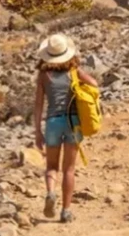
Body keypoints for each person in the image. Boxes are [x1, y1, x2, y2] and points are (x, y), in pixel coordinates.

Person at [33, 34, 98, 223]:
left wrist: (37, 131)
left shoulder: (43, 76)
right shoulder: (74, 71)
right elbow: (94, 84)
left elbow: (38, 105)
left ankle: (51, 193)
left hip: (53, 122)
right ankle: (66, 211)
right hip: (73, 122)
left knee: (51, 167)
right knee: (69, 169)